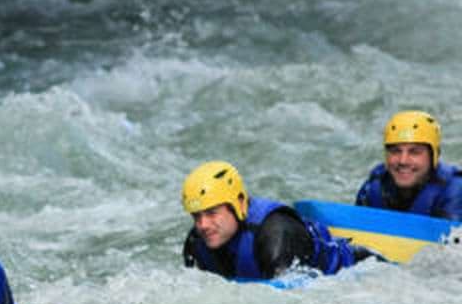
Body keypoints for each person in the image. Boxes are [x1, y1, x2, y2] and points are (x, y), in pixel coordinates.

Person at [181, 160, 374, 279]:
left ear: (239, 203)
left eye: (212, 213)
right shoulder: (197, 243)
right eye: (196, 216)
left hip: (360, 269)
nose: (203, 225)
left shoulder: (276, 234)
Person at [355, 110, 462, 220]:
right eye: (395, 151)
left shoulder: (454, 193)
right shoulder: (373, 187)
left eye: (414, 152)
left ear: (434, 156)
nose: (403, 161)